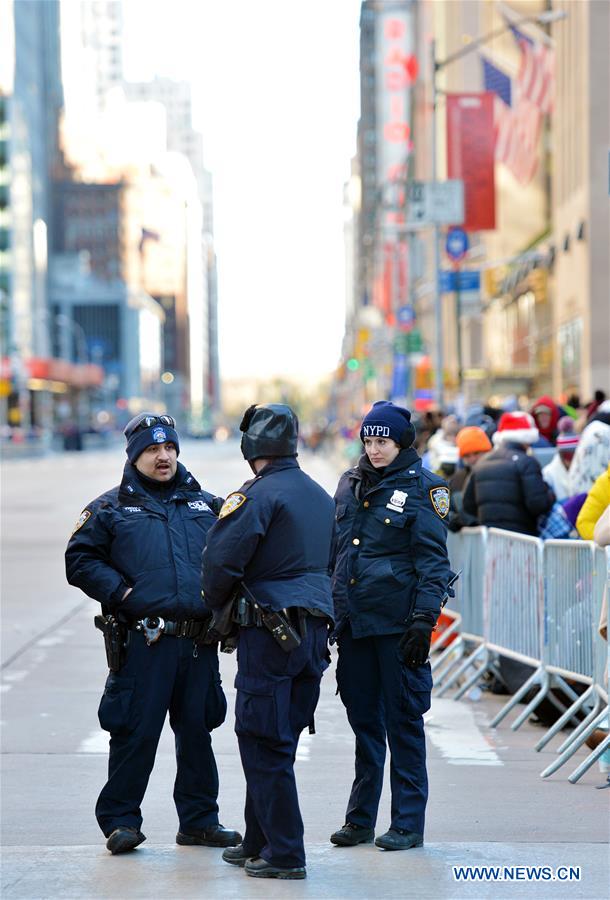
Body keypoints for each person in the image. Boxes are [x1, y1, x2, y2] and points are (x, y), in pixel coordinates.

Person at [65, 413, 241, 855]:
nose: (163, 457)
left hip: (198, 642)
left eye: (169, 449)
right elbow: (80, 560)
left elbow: (242, 548)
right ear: (135, 456)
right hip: (145, 643)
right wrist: (122, 591)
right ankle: (121, 821)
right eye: (151, 450)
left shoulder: (207, 505)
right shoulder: (108, 509)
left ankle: (200, 821)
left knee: (198, 733)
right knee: (135, 733)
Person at [201, 403, 335, 880]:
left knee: (262, 741)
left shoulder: (255, 496)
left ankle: (284, 852)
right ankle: (257, 841)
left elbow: (220, 563)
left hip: (271, 633)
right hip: (314, 635)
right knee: (280, 739)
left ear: (250, 446)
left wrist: (216, 611)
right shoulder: (319, 494)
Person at [329, 401, 451, 852]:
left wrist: (423, 620)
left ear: (401, 442)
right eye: (369, 440)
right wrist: (331, 610)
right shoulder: (349, 483)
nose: (374, 449)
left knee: (403, 724)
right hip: (356, 624)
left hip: (397, 625)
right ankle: (360, 819)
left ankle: (407, 823)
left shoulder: (425, 488)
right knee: (364, 724)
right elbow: (336, 554)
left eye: (382, 441)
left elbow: (433, 563)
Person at [462, 411, 554, 536]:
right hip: (522, 540)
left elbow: (468, 505)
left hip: (490, 540)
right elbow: (538, 504)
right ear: (527, 438)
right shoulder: (527, 462)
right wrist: (550, 494)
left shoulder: (481, 463)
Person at [447, 426, 492, 532]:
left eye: (476, 453)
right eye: (467, 455)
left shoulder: (497, 473)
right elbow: (447, 510)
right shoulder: (457, 479)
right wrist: (456, 520)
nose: (472, 459)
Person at [542, 422, 580, 501]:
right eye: (566, 455)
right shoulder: (548, 474)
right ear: (560, 454)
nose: (569, 460)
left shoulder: (584, 471)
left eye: (573, 455)